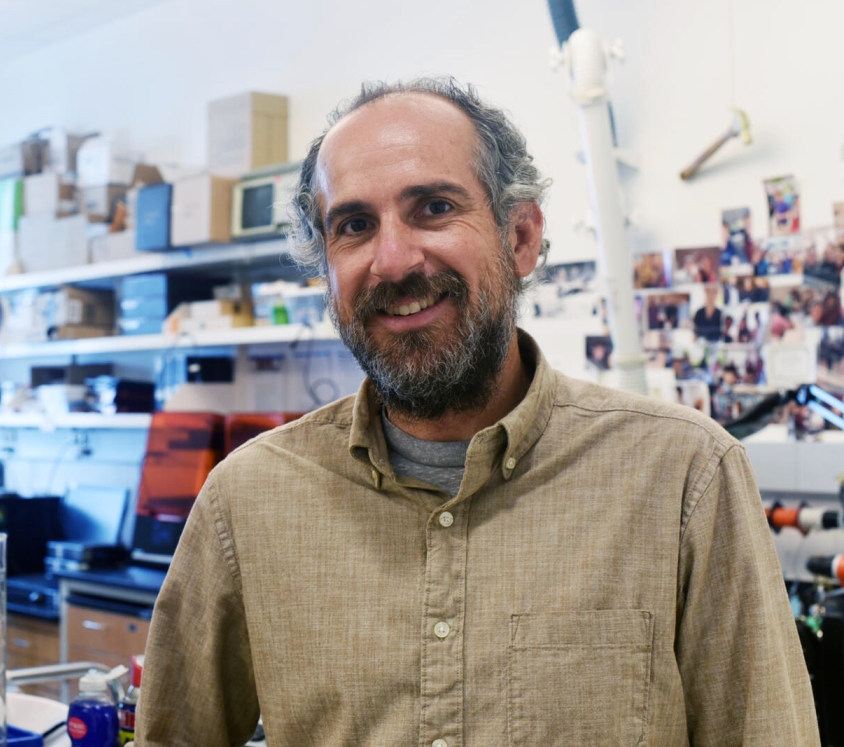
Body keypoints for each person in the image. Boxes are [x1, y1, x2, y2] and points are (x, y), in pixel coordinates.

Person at [137, 78, 817, 746]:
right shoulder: (248, 499)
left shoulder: (684, 478)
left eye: (434, 207)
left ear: (521, 237)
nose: (395, 260)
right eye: (354, 225)